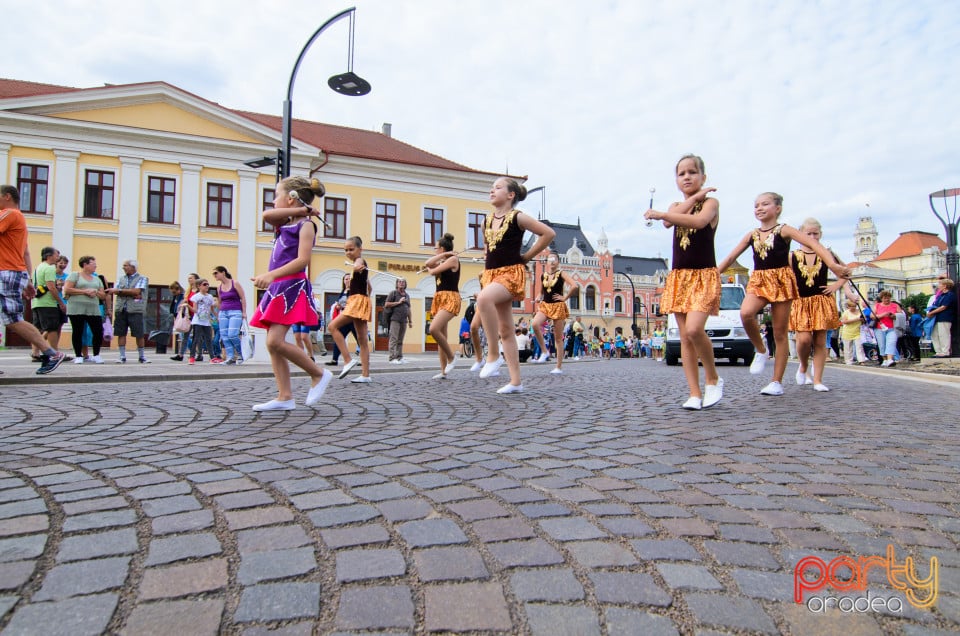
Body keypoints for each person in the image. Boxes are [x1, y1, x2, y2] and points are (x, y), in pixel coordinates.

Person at [717, 192, 851, 396]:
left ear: (777, 208)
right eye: (756, 205)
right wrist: (713, 276)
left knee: (780, 333)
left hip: (781, 281)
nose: (759, 208)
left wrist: (833, 265)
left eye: (765, 204)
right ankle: (761, 350)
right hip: (760, 280)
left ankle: (776, 382)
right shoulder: (751, 234)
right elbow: (731, 257)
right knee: (746, 313)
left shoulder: (784, 230)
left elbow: (814, 245)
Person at [643, 154, 723, 410]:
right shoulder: (678, 205)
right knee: (685, 338)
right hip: (679, 277)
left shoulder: (711, 202)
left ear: (703, 177)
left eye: (692, 172)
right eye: (681, 173)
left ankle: (713, 378)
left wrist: (697, 199)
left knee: (693, 329)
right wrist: (688, 201)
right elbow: (668, 220)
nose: (687, 177)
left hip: (702, 275)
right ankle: (694, 392)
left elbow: (699, 222)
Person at [251, 175, 333, 410]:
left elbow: (302, 260)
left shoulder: (305, 225)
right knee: (272, 343)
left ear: (290, 199)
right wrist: (306, 210)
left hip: (291, 286)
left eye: (277, 195)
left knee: (275, 341)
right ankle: (285, 396)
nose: (274, 200)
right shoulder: (285, 222)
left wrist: (271, 275)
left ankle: (318, 373)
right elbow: (266, 215)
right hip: (278, 287)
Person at [475, 177, 556, 394]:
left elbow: (548, 233)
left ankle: (493, 355)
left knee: (483, 300)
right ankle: (516, 382)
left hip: (511, 274)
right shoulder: (486, 222)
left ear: (511, 195)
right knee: (506, 329)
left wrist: (527, 256)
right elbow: (488, 250)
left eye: (498, 187)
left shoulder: (518, 217)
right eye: (491, 187)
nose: (492, 190)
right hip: (492, 275)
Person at [0, 185, 65, 374]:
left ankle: (51, 353)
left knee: (13, 319)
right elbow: (25, 252)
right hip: (13, 271)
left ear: (7, 196)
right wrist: (28, 279)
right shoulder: (18, 221)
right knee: (12, 318)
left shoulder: (10, 213)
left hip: (6, 271)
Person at [786, 218, 845, 391]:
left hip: (821, 300)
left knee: (820, 340)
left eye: (815, 233)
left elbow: (845, 272)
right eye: (808, 234)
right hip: (801, 301)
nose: (812, 236)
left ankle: (818, 379)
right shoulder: (793, 256)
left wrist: (836, 285)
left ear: (820, 234)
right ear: (800, 235)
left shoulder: (827, 254)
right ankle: (803, 365)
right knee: (804, 339)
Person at [328, 236, 373, 383]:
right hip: (361, 300)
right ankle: (365, 375)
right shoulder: (357, 265)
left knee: (332, 326)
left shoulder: (360, 261)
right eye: (346, 250)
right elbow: (369, 286)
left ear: (360, 249)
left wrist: (357, 266)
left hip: (357, 301)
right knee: (362, 340)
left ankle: (348, 360)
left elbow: (359, 262)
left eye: (351, 249)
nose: (348, 252)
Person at [530, 251, 578, 375]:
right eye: (550, 258)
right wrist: (538, 297)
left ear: (558, 262)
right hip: (545, 305)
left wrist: (565, 297)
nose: (552, 261)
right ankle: (545, 351)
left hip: (557, 306)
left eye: (554, 259)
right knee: (535, 324)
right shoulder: (543, 275)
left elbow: (574, 286)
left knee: (558, 338)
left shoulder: (561, 273)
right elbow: (541, 292)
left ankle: (558, 367)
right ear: (547, 262)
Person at [422, 233, 462, 380]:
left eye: (436, 248)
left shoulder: (453, 259)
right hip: (440, 299)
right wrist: (442, 255)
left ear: (442, 248)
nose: (434, 250)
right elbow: (428, 263)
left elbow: (432, 270)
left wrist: (434, 267)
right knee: (442, 336)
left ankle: (452, 357)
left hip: (450, 298)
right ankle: (444, 371)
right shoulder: (444, 259)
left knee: (433, 329)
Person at [106, 259, 150, 363]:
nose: (123, 268)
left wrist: (120, 291)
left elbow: (137, 291)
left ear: (132, 267)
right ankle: (122, 356)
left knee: (139, 333)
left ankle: (142, 356)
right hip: (121, 309)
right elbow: (117, 291)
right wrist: (127, 292)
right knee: (121, 333)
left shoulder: (142, 278)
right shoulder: (121, 278)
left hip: (135, 309)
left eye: (125, 265)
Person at [63, 255, 106, 364]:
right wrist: (85, 291)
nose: (95, 266)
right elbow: (67, 289)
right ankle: (78, 355)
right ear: (85, 264)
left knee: (98, 331)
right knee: (78, 331)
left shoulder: (97, 279)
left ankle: (96, 355)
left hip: (93, 309)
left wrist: (95, 292)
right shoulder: (75, 275)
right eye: (93, 263)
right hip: (76, 308)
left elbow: (103, 295)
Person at [30, 246, 67, 357]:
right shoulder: (50, 268)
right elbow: (51, 287)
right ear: (49, 256)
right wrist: (61, 303)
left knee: (37, 329)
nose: (58, 257)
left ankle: (35, 353)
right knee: (52, 328)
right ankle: (55, 353)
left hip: (37, 302)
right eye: (56, 255)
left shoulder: (38, 268)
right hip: (48, 303)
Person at [212, 265, 247, 365]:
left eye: (216, 273)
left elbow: (243, 297)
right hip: (223, 312)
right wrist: (218, 314)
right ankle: (230, 357)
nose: (215, 276)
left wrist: (244, 312)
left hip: (235, 311)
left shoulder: (234, 283)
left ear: (223, 273)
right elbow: (220, 301)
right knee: (224, 336)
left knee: (232, 334)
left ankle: (241, 353)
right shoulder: (219, 287)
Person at [326, 273, 358, 367]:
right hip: (343, 318)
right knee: (338, 337)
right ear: (343, 281)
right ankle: (334, 359)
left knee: (359, 339)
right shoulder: (343, 291)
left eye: (349, 279)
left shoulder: (353, 291)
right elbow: (342, 303)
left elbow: (353, 303)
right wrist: (338, 306)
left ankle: (363, 359)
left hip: (352, 318)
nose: (347, 281)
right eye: (346, 279)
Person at [171, 274, 199, 361]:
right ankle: (180, 355)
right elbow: (185, 300)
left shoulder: (198, 290)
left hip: (197, 316)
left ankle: (198, 354)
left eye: (191, 278)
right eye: (188, 278)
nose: (189, 280)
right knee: (185, 336)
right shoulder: (188, 290)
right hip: (188, 316)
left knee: (198, 336)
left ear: (196, 279)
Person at [385, 278, 413, 364]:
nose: (401, 283)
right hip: (395, 319)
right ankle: (392, 358)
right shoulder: (393, 293)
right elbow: (386, 304)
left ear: (405, 284)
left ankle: (399, 357)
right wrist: (398, 302)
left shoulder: (407, 295)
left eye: (403, 282)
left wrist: (410, 321)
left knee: (400, 340)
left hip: (404, 321)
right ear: (397, 284)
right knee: (394, 339)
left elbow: (408, 309)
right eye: (399, 282)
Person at [187, 279, 215, 364]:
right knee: (196, 338)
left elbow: (212, 309)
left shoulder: (210, 296)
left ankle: (212, 357)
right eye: (204, 284)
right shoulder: (196, 297)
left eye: (207, 284)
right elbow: (195, 310)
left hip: (206, 321)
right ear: (199, 286)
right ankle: (192, 357)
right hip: (198, 321)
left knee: (209, 339)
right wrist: (187, 305)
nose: (207, 286)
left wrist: (216, 316)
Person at [871, 290, 902, 368]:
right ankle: (884, 359)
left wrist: (894, 316)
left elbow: (901, 315)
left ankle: (890, 359)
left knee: (891, 342)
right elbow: (872, 316)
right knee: (882, 345)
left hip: (892, 328)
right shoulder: (877, 305)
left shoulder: (895, 305)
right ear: (881, 298)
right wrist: (883, 314)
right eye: (885, 298)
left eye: (888, 298)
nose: (887, 300)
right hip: (879, 328)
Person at [927, 277, 956, 357]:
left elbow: (943, 307)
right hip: (937, 318)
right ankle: (938, 351)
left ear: (945, 286)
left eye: (940, 284)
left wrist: (932, 312)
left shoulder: (950, 295)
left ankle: (945, 351)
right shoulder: (941, 296)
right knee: (935, 334)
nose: (939, 285)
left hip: (945, 317)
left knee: (944, 334)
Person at [839, 299, 867, 364]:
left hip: (858, 331)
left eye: (854, 306)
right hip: (847, 332)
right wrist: (857, 319)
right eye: (851, 306)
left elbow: (864, 320)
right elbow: (844, 321)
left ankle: (861, 360)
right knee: (848, 348)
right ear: (848, 307)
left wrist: (863, 319)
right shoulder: (846, 312)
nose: (853, 308)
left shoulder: (860, 311)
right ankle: (848, 360)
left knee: (859, 347)